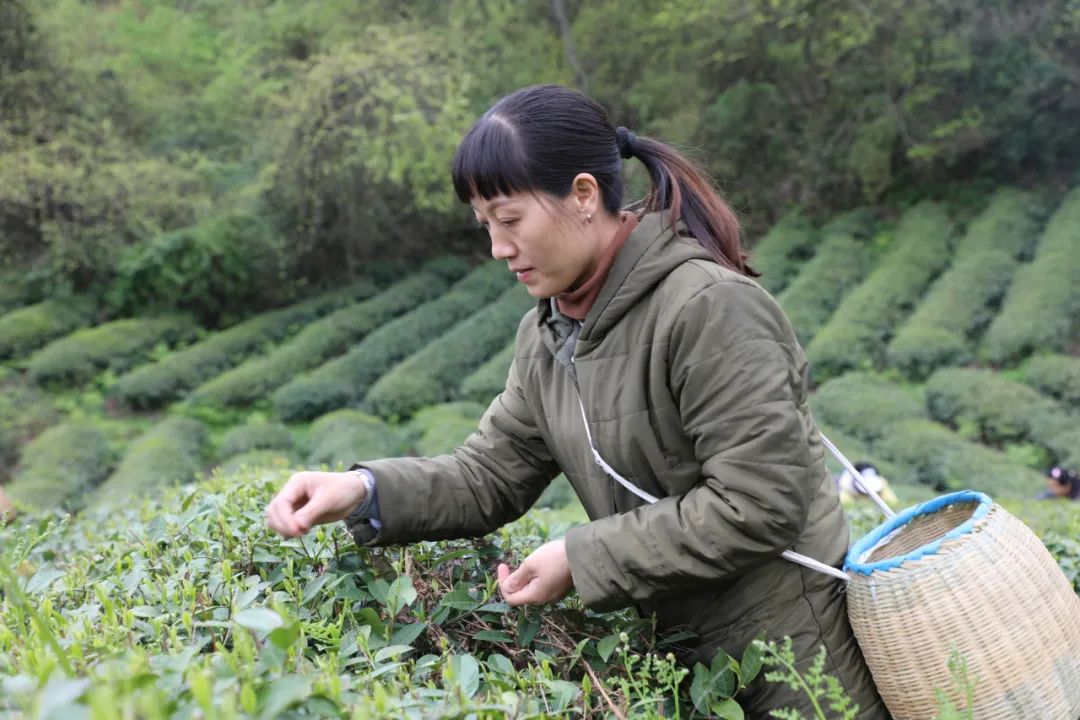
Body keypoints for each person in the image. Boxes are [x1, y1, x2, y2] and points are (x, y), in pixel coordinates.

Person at [266, 84, 889, 719]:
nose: (499, 248)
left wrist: (581, 555)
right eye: (485, 226)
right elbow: (488, 476)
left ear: (585, 196)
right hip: (686, 661)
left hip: (794, 661)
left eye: (511, 220)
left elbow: (760, 504)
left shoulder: (707, 306)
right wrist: (362, 491)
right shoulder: (550, 334)